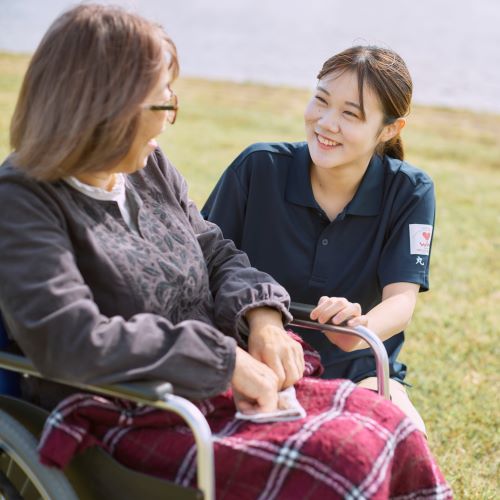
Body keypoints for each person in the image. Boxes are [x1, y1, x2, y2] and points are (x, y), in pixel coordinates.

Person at [0, 6, 450, 498]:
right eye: (160, 104)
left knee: (391, 426)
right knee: (343, 462)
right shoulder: (24, 199)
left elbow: (216, 251)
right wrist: (222, 359)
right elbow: (68, 338)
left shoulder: (147, 168)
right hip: (132, 410)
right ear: (105, 106)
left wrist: (263, 318)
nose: (169, 120)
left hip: (222, 387)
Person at [202, 46, 434, 434]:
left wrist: (359, 326)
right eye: (321, 101)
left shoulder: (410, 191)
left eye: (351, 114)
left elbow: (402, 300)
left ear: (391, 129)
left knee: (406, 440)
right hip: (258, 359)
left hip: (359, 371)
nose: (326, 123)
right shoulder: (257, 167)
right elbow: (204, 268)